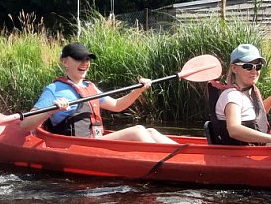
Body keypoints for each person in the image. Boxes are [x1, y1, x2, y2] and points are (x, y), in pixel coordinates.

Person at [20, 42, 177, 144]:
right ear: (65, 62)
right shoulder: (54, 89)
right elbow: (25, 124)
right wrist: (51, 110)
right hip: (77, 145)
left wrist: (138, 90)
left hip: (95, 141)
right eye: (79, 59)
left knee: (150, 131)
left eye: (87, 59)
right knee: (138, 130)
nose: (85, 63)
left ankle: (186, 154)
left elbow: (117, 105)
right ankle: (170, 162)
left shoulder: (90, 87)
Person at [208, 43, 271, 149]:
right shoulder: (232, 96)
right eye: (248, 66)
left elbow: (258, 116)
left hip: (256, 151)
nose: (254, 71)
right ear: (234, 68)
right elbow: (234, 130)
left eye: (258, 67)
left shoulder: (249, 92)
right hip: (239, 155)